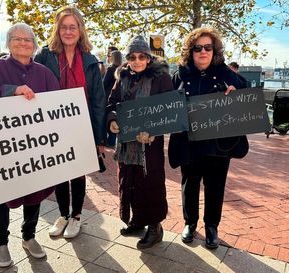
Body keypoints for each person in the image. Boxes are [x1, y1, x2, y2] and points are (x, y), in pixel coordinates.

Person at [0, 23, 60, 267]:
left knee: (34, 191)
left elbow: (58, 107)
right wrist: (11, 91)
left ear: (34, 44)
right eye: (17, 39)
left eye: (28, 40)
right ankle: (1, 243)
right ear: (9, 43)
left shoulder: (44, 73)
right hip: (2, 148)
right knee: (1, 194)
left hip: (35, 146)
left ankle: (29, 237)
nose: (23, 43)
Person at [168, 27, 247, 249]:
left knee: (216, 186)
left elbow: (246, 93)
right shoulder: (179, 75)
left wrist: (236, 93)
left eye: (208, 47)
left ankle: (212, 226)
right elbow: (166, 106)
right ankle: (189, 223)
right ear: (190, 51)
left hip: (218, 144)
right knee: (189, 184)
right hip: (189, 142)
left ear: (214, 50)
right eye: (198, 48)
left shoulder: (227, 74)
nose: (203, 52)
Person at [35, 6, 106, 239]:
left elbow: (98, 100)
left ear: (80, 30)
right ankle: (63, 214)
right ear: (58, 29)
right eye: (64, 27)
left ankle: (76, 216)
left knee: (77, 173)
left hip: (81, 125)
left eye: (72, 27)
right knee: (58, 172)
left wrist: (99, 137)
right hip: (52, 125)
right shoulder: (44, 56)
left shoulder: (89, 60)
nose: (68, 31)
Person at [106, 35, 172, 249]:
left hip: (149, 146)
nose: (136, 61)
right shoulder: (122, 77)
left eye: (141, 56)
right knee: (130, 181)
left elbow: (169, 109)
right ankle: (136, 220)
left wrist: (154, 131)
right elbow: (112, 103)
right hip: (126, 144)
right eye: (132, 57)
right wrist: (113, 119)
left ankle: (155, 227)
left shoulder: (161, 78)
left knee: (149, 183)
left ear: (149, 57)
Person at [103, 50, 122, 147]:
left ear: (113, 57)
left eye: (109, 55)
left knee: (108, 118)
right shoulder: (121, 69)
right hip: (118, 98)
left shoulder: (111, 69)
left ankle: (108, 141)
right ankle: (112, 141)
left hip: (108, 98)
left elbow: (103, 84)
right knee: (115, 119)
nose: (108, 57)